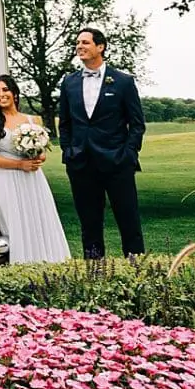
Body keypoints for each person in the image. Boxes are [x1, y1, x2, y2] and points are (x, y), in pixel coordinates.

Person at [57, 26, 146, 259]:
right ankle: (94, 271)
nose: (79, 46)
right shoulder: (69, 82)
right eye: (78, 43)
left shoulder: (123, 82)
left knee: (128, 220)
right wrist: (69, 151)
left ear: (100, 47)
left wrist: (128, 153)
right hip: (81, 163)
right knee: (90, 223)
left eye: (85, 42)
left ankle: (137, 268)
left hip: (117, 162)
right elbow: (64, 123)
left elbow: (136, 123)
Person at [0, 74, 70, 266]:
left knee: (39, 219)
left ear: (15, 93)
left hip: (33, 179)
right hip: (6, 179)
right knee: (14, 223)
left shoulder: (33, 121)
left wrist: (38, 157)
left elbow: (43, 153)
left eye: (5, 90)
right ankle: (20, 264)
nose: (1, 94)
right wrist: (19, 165)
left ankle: (48, 261)